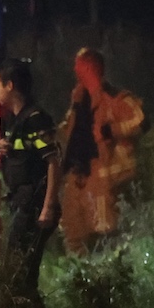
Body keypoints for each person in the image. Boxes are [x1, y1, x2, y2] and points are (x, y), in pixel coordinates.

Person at [55, 48, 145, 254]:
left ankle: (110, 277)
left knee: (107, 236)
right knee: (73, 235)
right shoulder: (79, 100)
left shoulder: (115, 98)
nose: (75, 69)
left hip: (107, 179)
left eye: (79, 64)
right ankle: (80, 281)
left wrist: (110, 130)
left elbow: (141, 121)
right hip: (80, 179)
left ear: (89, 68)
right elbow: (68, 131)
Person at [0, 59, 59, 295]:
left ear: (10, 86)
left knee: (19, 276)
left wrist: (47, 208)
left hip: (34, 205)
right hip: (22, 203)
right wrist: (1, 149)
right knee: (18, 277)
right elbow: (22, 156)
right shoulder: (17, 122)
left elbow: (53, 162)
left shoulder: (35, 119)